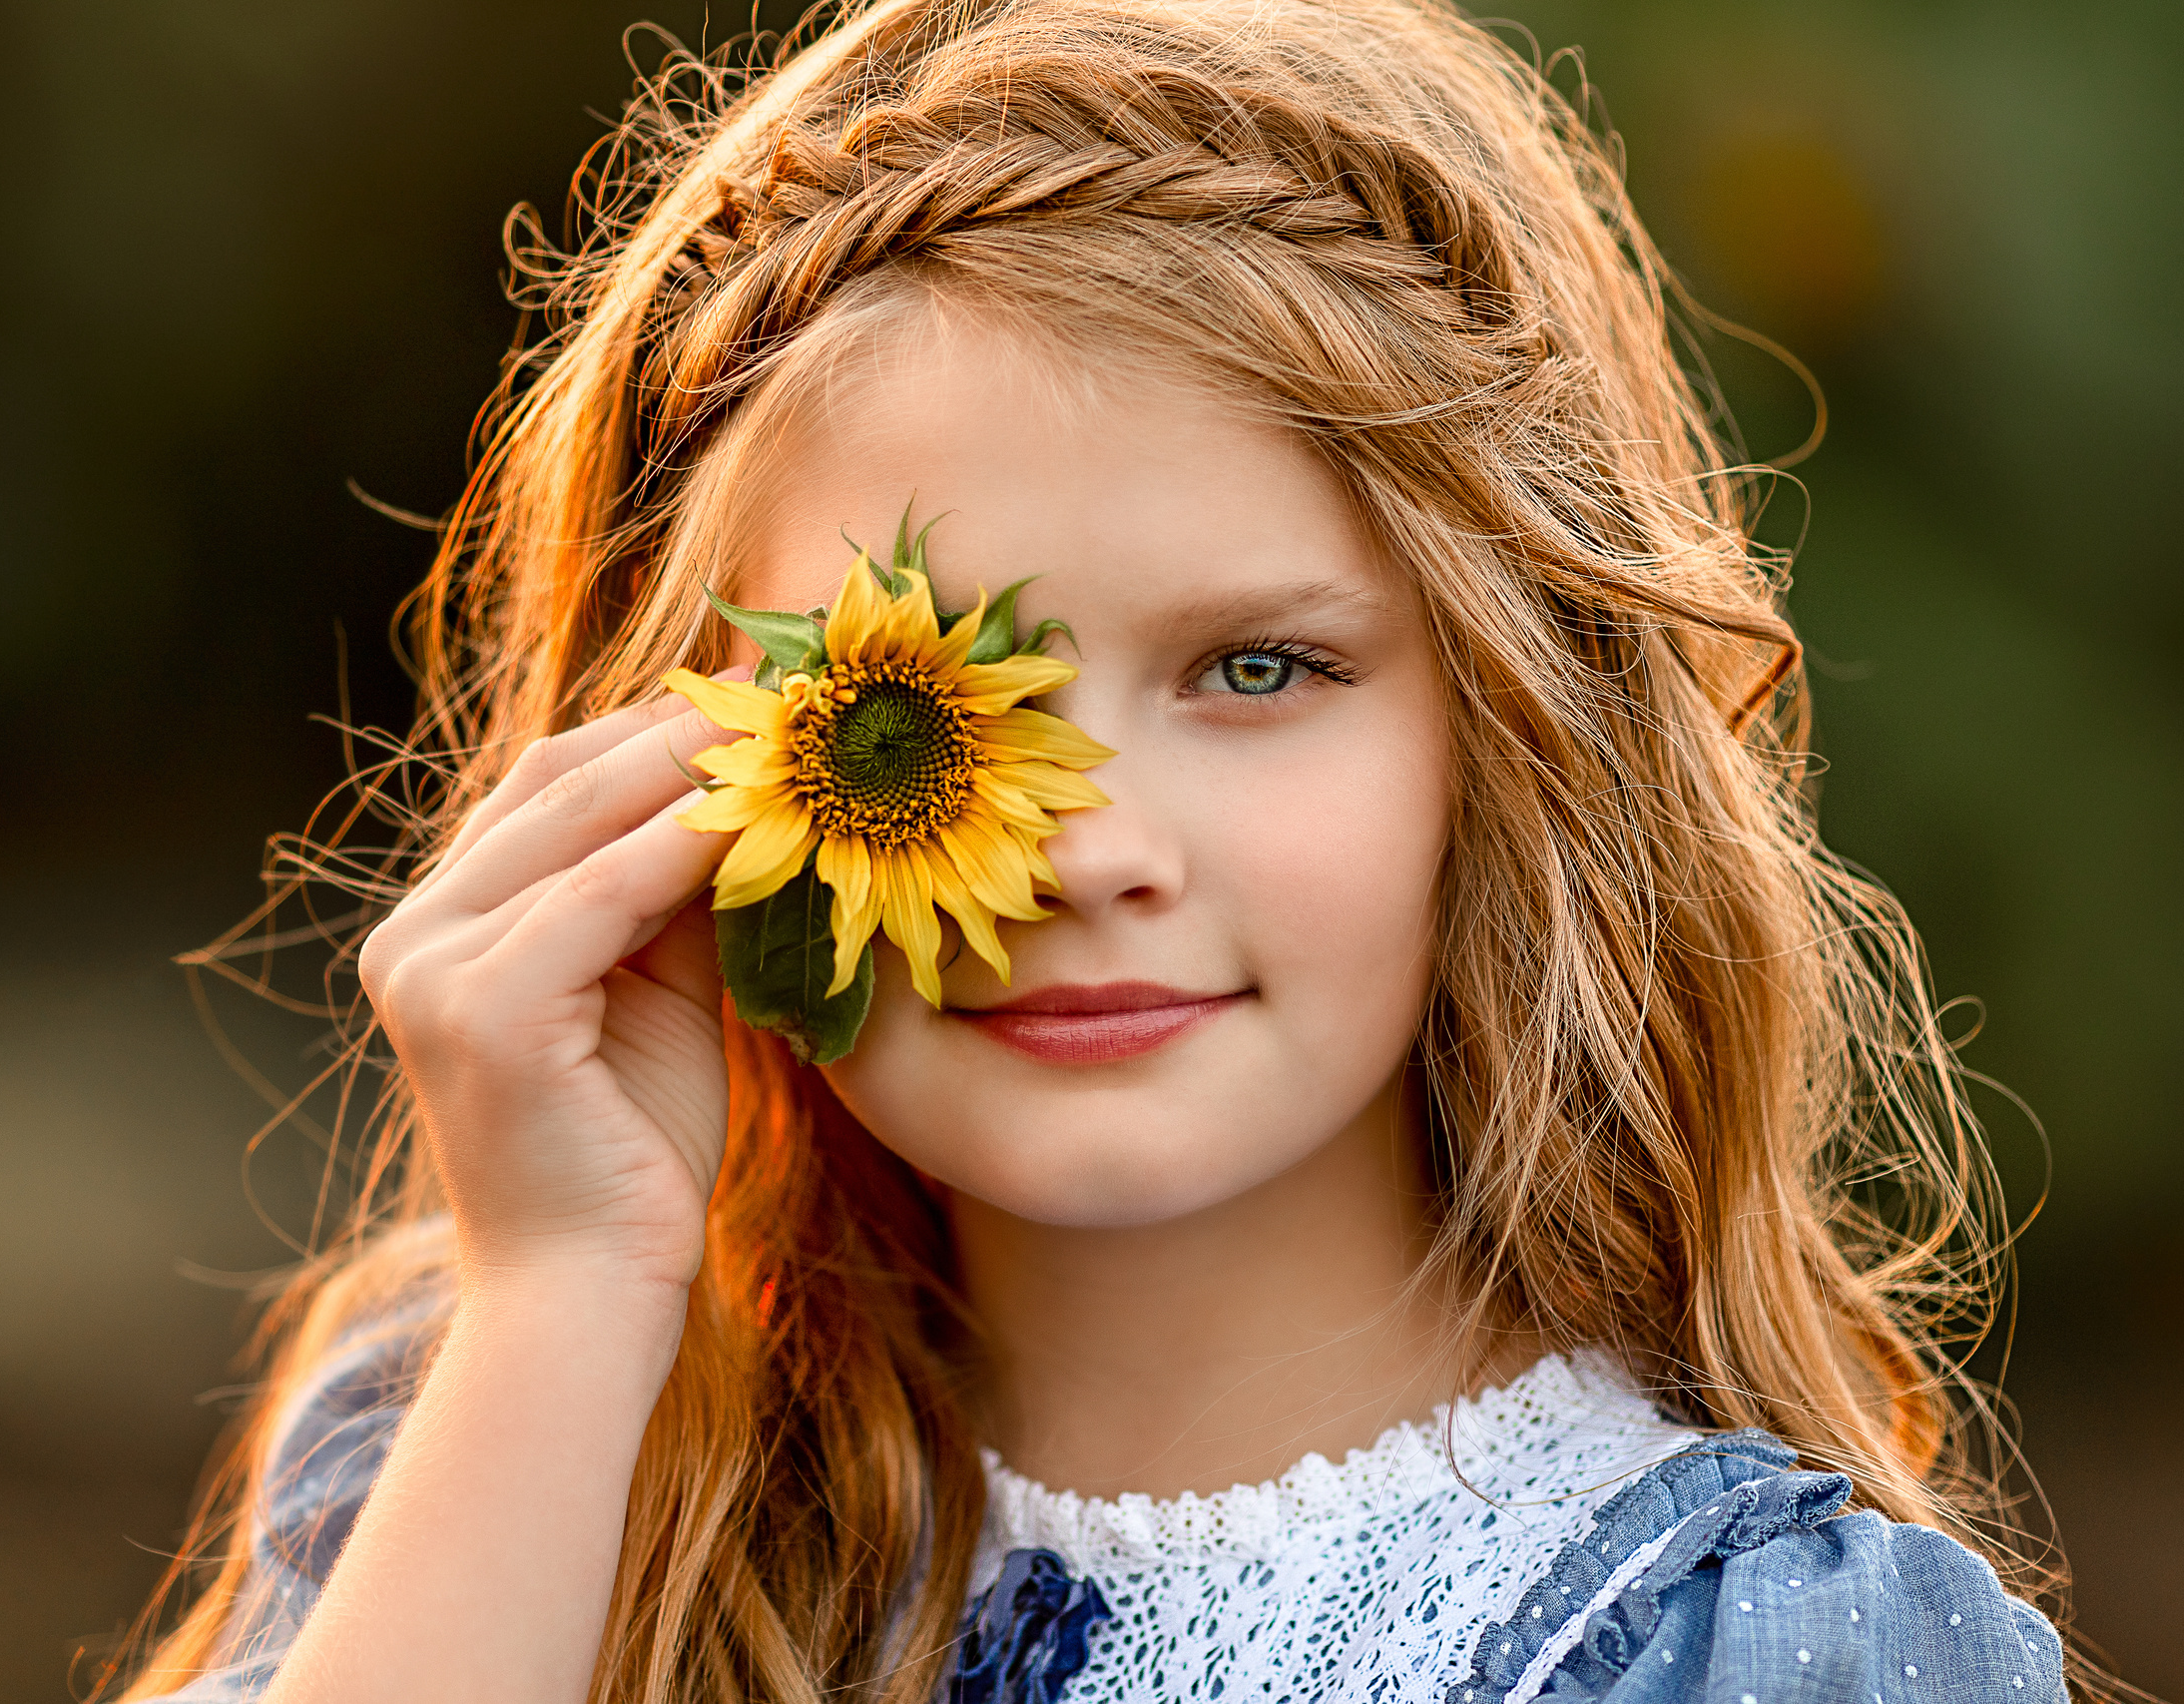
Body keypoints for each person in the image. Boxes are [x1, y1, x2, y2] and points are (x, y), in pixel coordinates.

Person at [108, 2, 2080, 1700]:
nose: (1083, 852)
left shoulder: (1759, 1642)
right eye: (925, 713)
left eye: (1253, 664)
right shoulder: (498, 1457)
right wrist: (558, 1299)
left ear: (1519, 728)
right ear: (668, 753)